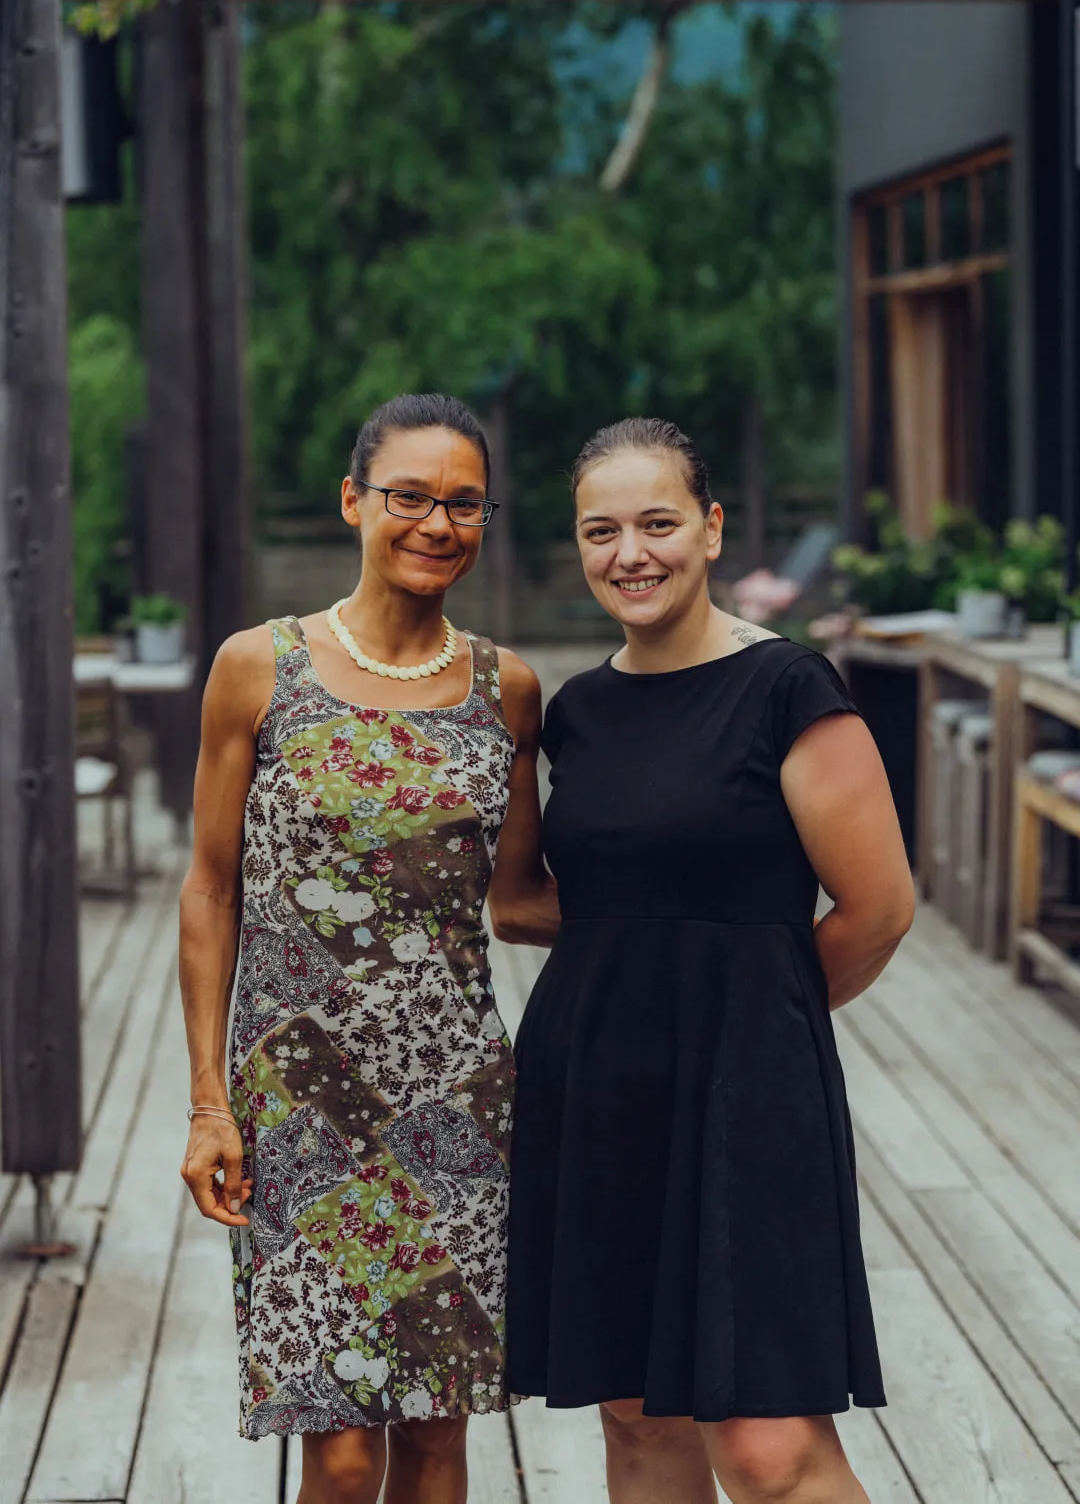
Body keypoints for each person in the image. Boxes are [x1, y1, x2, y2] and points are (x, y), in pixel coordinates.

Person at [499, 417, 915, 1504]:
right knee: (638, 1420)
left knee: (770, 1449)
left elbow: (877, 908)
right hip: (595, 1090)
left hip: (750, 1095)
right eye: (602, 531)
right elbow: (571, 902)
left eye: (657, 523)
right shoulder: (577, 712)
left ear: (712, 528)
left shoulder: (789, 689)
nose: (629, 554)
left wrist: (756, 1030)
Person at [178, 393, 553, 1504]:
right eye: (410, 497)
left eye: (464, 503)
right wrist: (209, 1101)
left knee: (438, 1434)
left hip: (452, 1097)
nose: (437, 523)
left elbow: (522, 900)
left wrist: (717, 903)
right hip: (299, 1104)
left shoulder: (507, 690)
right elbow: (209, 890)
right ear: (355, 501)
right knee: (338, 1455)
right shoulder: (260, 667)